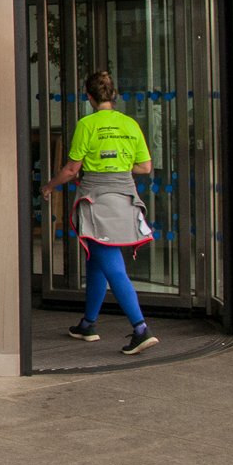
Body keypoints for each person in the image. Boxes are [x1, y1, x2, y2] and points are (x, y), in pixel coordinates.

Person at [40, 70, 159, 355]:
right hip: (126, 200)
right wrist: (118, 168)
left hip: (97, 202)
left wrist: (48, 187)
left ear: (89, 97)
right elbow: (144, 167)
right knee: (96, 260)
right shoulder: (130, 124)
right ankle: (88, 324)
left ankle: (140, 329)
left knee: (112, 264)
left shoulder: (87, 124)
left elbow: (72, 169)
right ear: (114, 96)